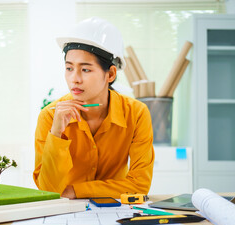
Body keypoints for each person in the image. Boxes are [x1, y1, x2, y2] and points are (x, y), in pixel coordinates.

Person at [33, 17, 154, 199]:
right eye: (69, 68)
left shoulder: (136, 113)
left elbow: (139, 185)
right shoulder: (50, 117)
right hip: (66, 212)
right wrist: (56, 132)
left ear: (111, 74)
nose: (75, 79)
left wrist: (75, 190)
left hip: (116, 211)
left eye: (86, 69)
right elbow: (48, 190)